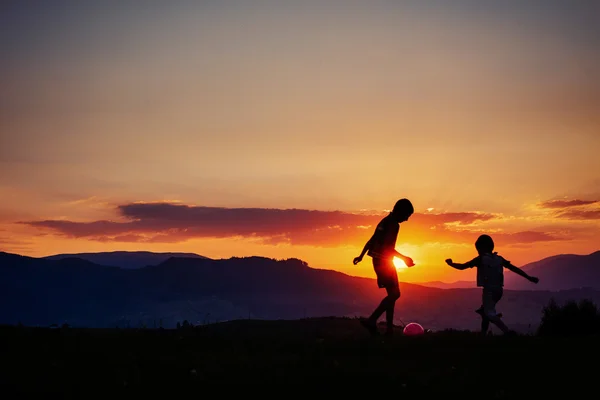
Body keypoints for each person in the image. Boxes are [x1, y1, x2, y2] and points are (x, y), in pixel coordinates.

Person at [445, 234, 539, 335]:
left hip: (489, 291)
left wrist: (451, 264)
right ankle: (483, 333)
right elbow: (514, 268)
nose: (478, 251)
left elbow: (462, 266)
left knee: (488, 313)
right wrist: (529, 277)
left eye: (478, 249)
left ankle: (507, 332)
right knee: (485, 312)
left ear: (481, 248)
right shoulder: (499, 259)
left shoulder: (481, 259)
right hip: (499, 290)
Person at [353, 198, 415, 336]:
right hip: (384, 262)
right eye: (407, 216)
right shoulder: (393, 224)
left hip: (378, 261)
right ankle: (372, 320)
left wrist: (361, 256)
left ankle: (389, 329)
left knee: (391, 295)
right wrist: (405, 259)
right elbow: (388, 248)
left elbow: (372, 240)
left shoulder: (384, 221)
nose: (407, 219)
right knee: (395, 294)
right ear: (400, 211)